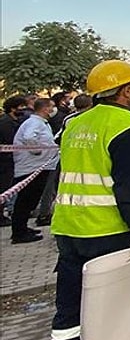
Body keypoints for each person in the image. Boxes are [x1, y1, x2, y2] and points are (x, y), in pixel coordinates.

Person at [46, 61, 130, 340]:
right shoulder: (128, 127)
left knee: (68, 312)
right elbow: (129, 191)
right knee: (108, 313)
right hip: (111, 233)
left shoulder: (75, 124)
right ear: (125, 90)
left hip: (68, 230)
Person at [35, 95, 94, 227]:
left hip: (70, 157)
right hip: (84, 157)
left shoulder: (68, 118)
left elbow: (59, 137)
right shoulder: (89, 118)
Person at [9, 97, 59, 243]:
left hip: (37, 167)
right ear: (44, 108)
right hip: (31, 168)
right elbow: (29, 137)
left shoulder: (39, 123)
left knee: (30, 200)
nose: (53, 109)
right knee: (25, 200)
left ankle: (22, 227)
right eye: (52, 106)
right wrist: (37, 151)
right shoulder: (34, 123)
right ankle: (19, 232)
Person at [0, 95, 29, 227]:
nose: (24, 109)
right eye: (21, 106)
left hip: (11, 160)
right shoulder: (6, 122)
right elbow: (10, 141)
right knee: (3, 188)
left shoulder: (15, 120)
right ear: (12, 108)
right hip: (5, 161)